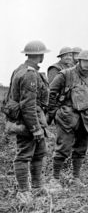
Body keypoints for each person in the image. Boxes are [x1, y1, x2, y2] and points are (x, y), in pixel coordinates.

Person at [47, 50, 88, 188]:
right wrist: (55, 111)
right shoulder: (66, 74)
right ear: (79, 60)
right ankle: (55, 179)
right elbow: (51, 93)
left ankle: (75, 178)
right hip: (66, 117)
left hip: (86, 118)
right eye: (85, 61)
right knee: (63, 147)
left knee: (81, 148)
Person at [7, 40, 51, 202]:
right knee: (24, 155)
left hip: (32, 119)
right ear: (40, 56)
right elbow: (28, 105)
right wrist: (35, 128)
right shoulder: (29, 74)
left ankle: (38, 187)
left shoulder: (20, 69)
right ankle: (24, 191)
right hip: (28, 121)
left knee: (39, 153)